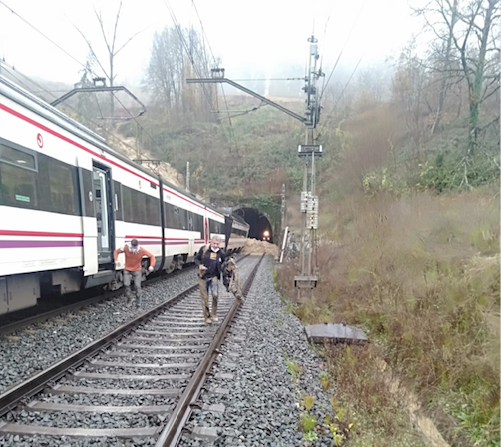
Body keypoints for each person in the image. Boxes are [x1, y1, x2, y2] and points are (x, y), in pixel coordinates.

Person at [113, 238, 155, 308]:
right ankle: (129, 299)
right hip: (127, 269)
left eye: (135, 247)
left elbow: (151, 256)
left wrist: (151, 265)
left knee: (137, 286)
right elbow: (116, 251)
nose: (133, 249)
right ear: (131, 245)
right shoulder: (126, 248)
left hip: (137, 270)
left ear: (137, 246)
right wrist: (116, 260)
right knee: (126, 284)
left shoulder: (141, 250)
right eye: (132, 247)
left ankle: (138, 302)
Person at [194, 236, 226, 323]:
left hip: (214, 277)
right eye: (214, 243)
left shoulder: (221, 253)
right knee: (204, 298)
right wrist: (200, 265)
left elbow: (224, 263)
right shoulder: (204, 250)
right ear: (210, 242)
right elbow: (196, 259)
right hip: (203, 276)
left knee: (215, 295)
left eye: (217, 244)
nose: (215, 245)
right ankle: (206, 316)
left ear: (220, 244)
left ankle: (214, 314)